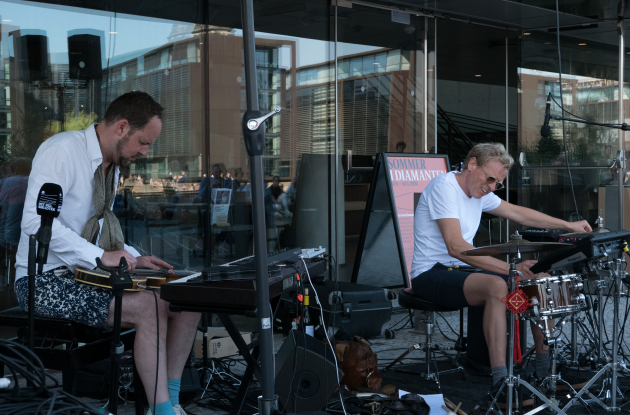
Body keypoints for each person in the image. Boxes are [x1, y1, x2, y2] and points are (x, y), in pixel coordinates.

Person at [14, 91, 199, 415]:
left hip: (84, 273)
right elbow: (33, 222)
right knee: (147, 306)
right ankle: (162, 411)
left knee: (184, 297)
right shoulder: (62, 150)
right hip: (41, 280)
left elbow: (99, 231)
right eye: (143, 142)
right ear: (122, 127)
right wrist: (100, 256)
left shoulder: (109, 166)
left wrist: (132, 255)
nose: (144, 151)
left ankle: (171, 400)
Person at [410, 143, 591, 406]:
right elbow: (457, 247)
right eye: (490, 178)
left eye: (498, 182)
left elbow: (518, 213)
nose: (492, 186)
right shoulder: (444, 187)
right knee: (498, 286)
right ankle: (501, 384)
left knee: (537, 281)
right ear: (471, 165)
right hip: (430, 273)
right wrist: (512, 270)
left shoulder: (480, 192)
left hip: (462, 269)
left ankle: (547, 373)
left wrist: (567, 225)